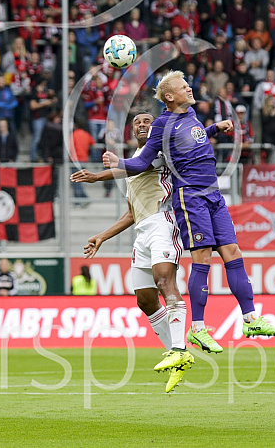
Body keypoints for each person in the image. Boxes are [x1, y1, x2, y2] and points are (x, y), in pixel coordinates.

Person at [102, 71, 275, 354]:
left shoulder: (190, 116)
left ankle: (250, 318)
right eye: (183, 86)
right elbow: (143, 163)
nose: (189, 87)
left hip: (213, 194)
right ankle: (198, 329)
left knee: (233, 252)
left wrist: (214, 129)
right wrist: (119, 161)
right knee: (203, 257)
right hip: (190, 197)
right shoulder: (161, 124)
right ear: (170, 96)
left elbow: (194, 138)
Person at [71, 112, 193, 392]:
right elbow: (130, 213)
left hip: (163, 223)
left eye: (147, 120)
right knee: (145, 301)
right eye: (137, 121)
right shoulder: (134, 161)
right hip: (142, 232)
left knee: (165, 281)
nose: (141, 124)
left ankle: (179, 348)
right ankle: (176, 356)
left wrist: (97, 177)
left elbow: (138, 165)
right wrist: (102, 236)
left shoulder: (160, 150)